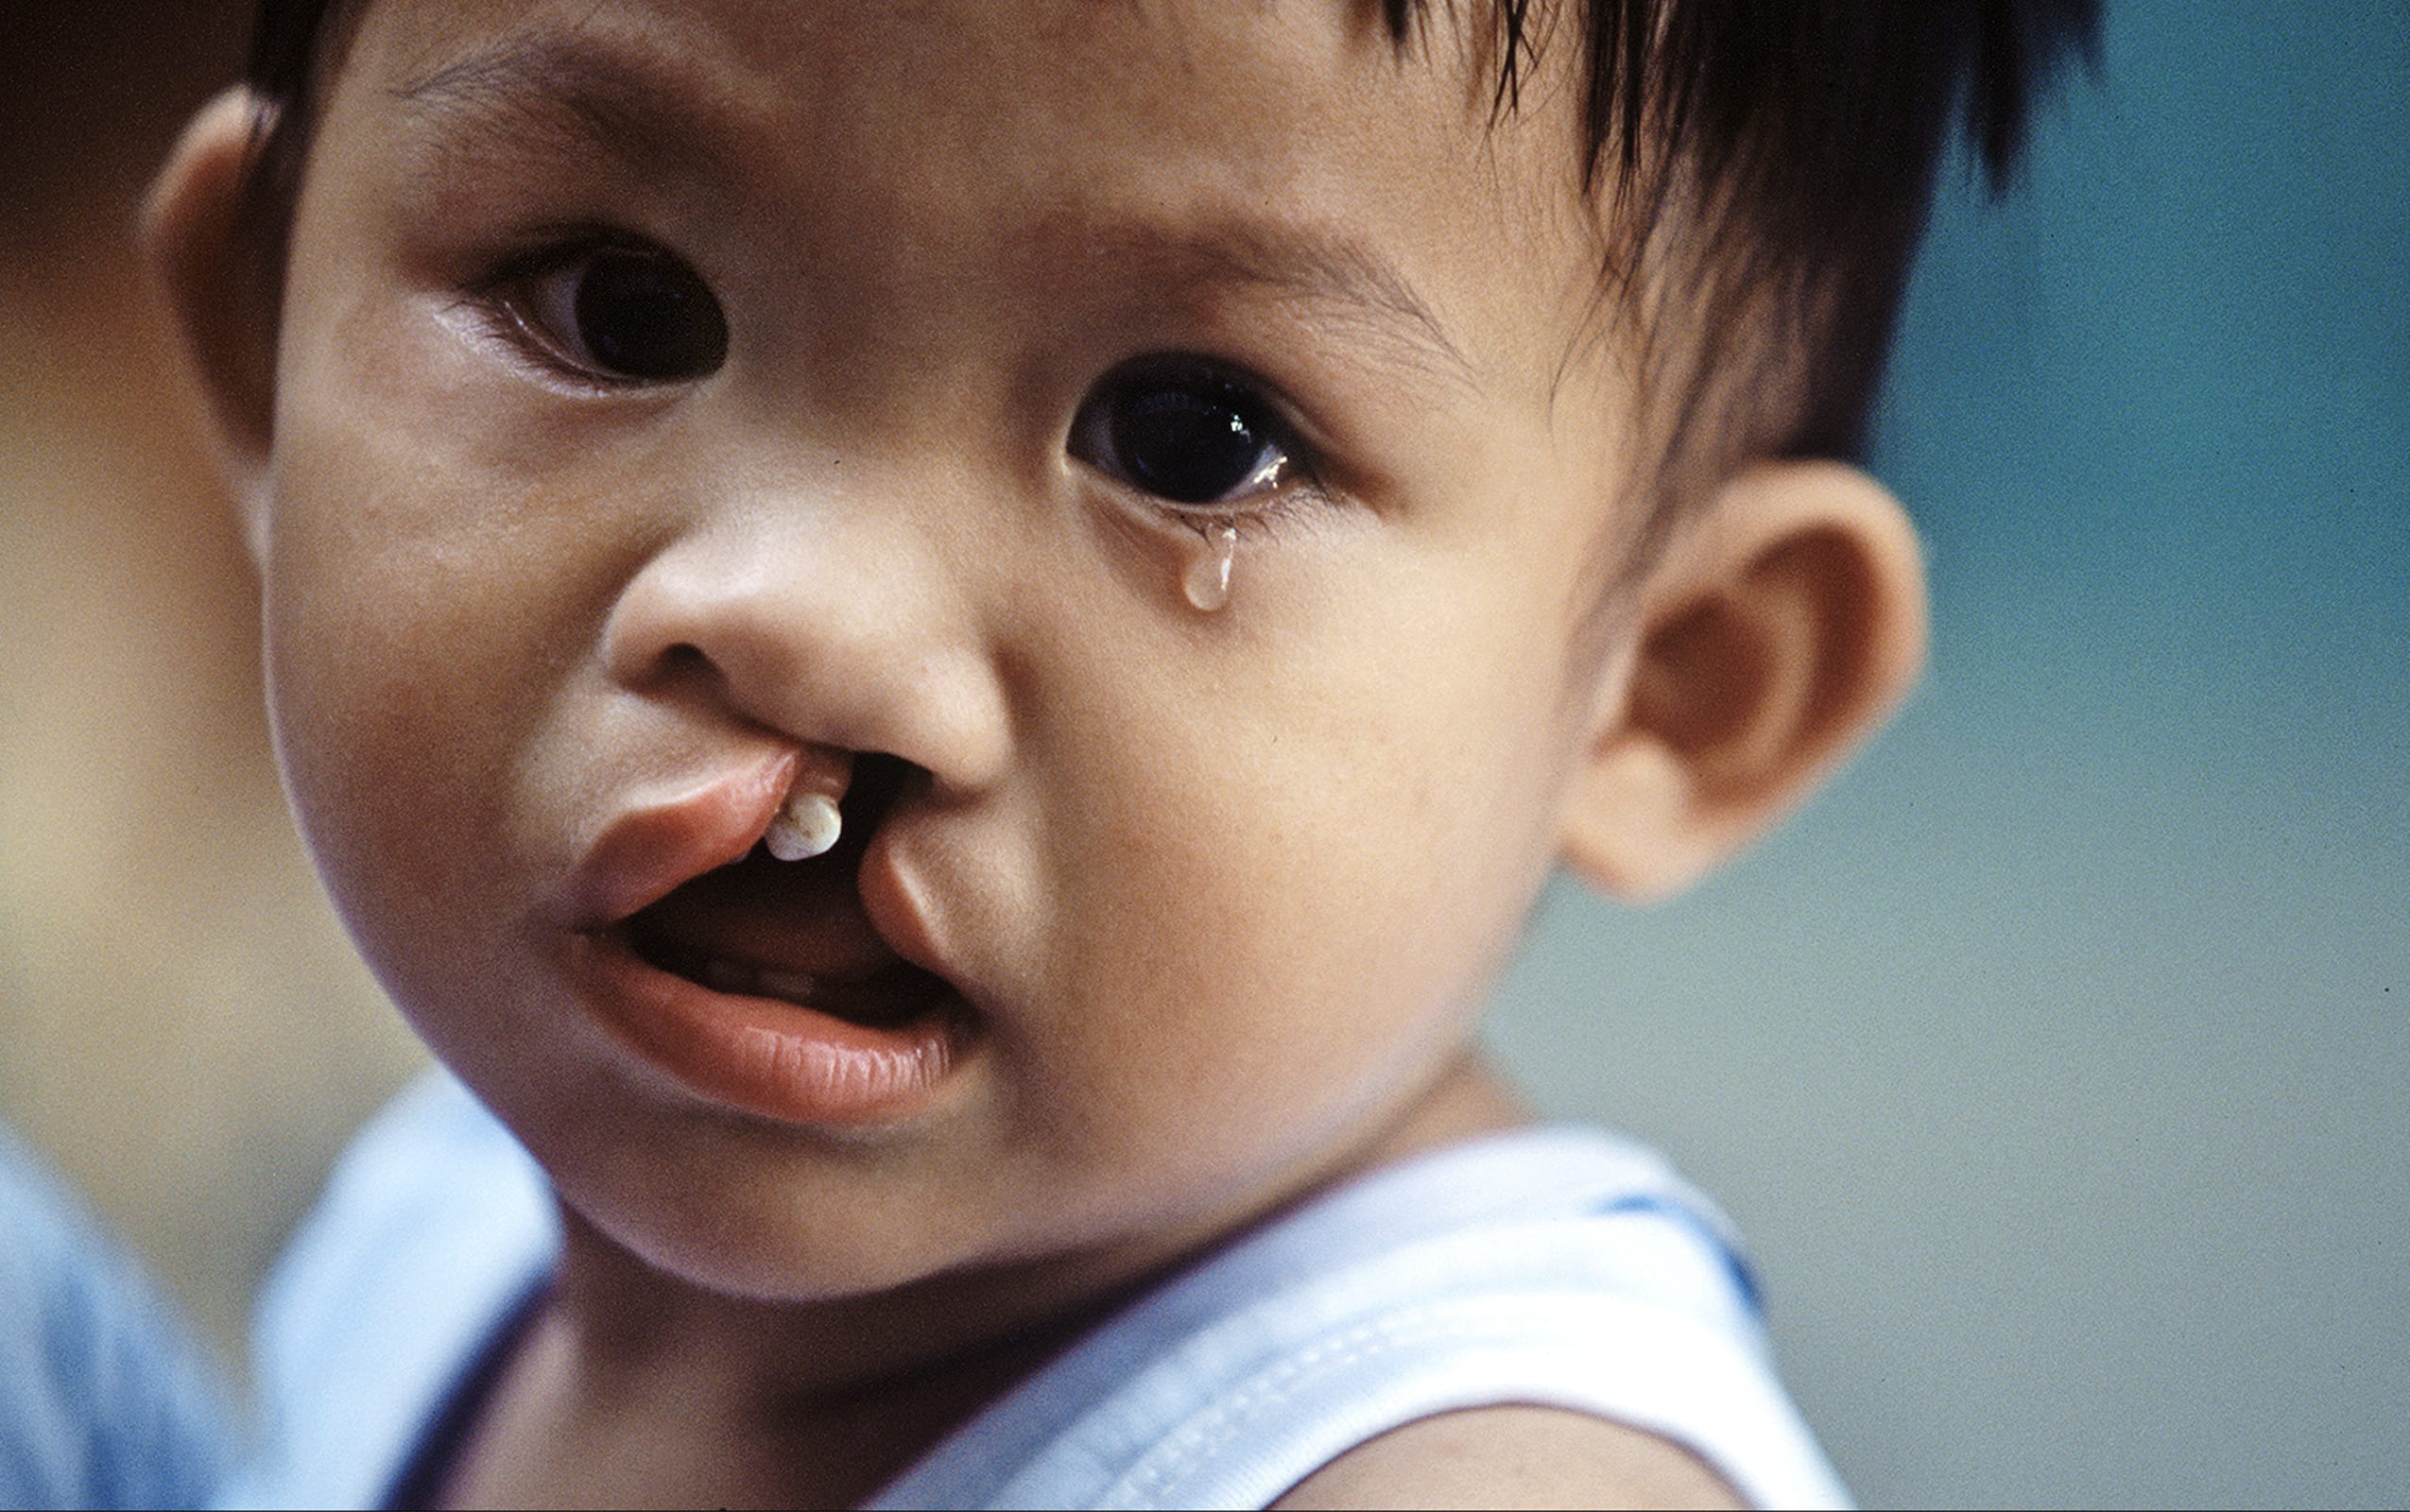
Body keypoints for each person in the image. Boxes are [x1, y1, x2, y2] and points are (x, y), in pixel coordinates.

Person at [133, 0, 2092, 1504]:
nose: (814, 617)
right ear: (258, 342)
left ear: (1675, 680)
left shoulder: (1470, 1470)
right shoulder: (441, 1212)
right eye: (619, 307)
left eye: (1191, 438)